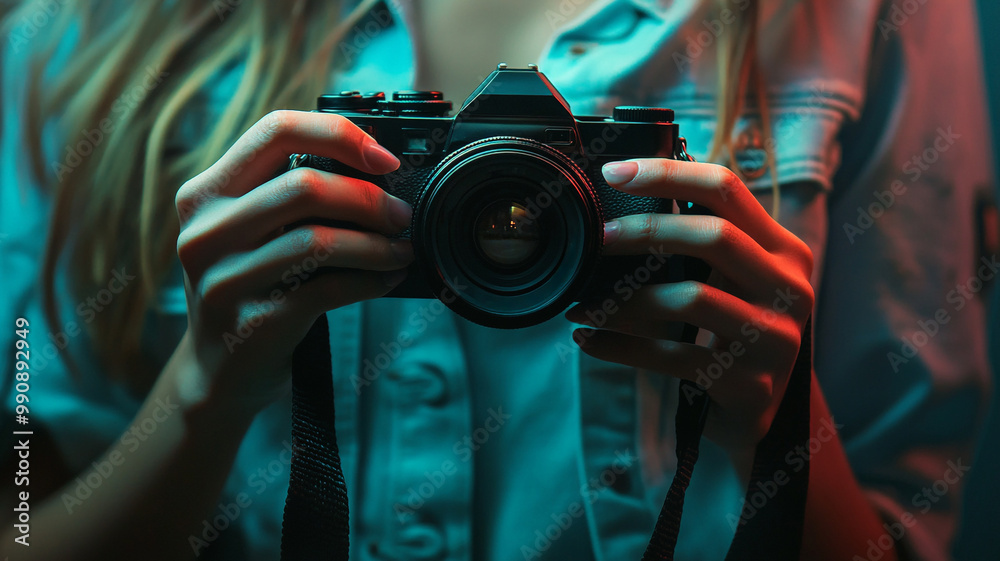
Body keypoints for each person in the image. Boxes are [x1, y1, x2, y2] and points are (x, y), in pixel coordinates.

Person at [0, 0, 992, 560]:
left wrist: (772, 419)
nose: (506, 226)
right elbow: (27, 520)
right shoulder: (87, 25)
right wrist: (204, 389)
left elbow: (906, 522)